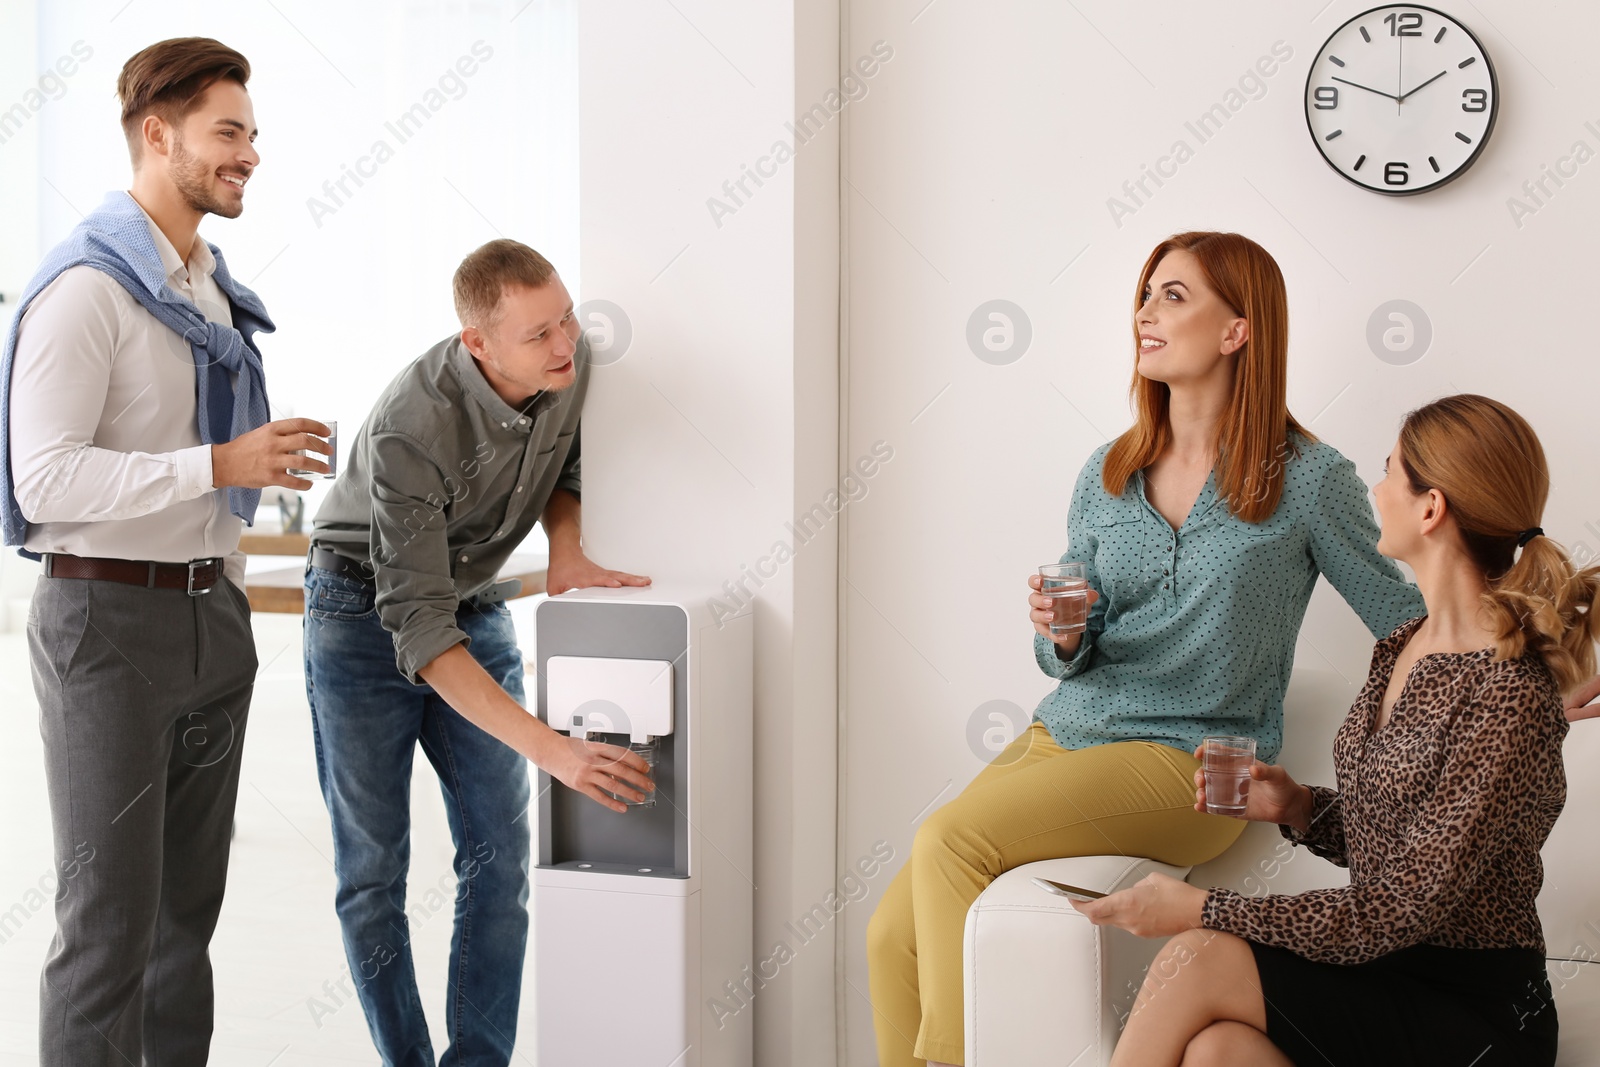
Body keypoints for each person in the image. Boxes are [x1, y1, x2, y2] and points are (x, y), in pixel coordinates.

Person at [865, 231, 1427, 1067]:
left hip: (1198, 760)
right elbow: (1068, 655)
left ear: (1238, 330)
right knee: (887, 936)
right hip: (1066, 734)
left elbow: (1406, 614)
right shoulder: (1109, 470)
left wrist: (1519, 675)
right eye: (1145, 293)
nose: (1145, 313)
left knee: (950, 837)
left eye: (1173, 296)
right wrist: (1061, 632)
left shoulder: (1306, 477)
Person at [1075, 394, 1600, 1067]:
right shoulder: (1403, 644)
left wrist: (1202, 908)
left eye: (1389, 473)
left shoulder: (1507, 692)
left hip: (1475, 1011)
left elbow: (1398, 906)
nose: (1375, 490)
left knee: (1198, 955)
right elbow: (1402, 839)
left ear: (1431, 508)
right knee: (1219, 1052)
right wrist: (1296, 805)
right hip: (1387, 972)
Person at [0, 38, 332, 1066]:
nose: (250, 155)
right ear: (158, 134)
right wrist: (216, 460)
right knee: (108, 929)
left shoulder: (206, 292)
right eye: (228, 132)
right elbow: (41, 480)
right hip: (107, 625)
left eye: (252, 133)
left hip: (209, 618)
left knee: (184, 925)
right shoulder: (85, 292)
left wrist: (241, 493)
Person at [302, 238, 653, 1066]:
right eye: (538, 335)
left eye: (565, 317)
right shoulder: (410, 429)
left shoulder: (571, 365)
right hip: (360, 610)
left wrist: (565, 547)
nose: (565, 343)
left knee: (499, 858)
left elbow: (567, 459)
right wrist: (555, 749)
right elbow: (420, 634)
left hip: (472, 594)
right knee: (374, 871)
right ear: (479, 344)